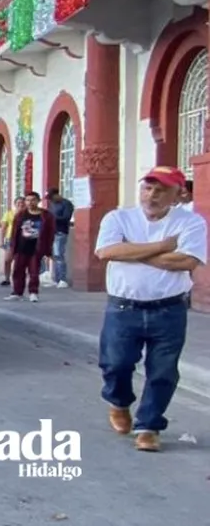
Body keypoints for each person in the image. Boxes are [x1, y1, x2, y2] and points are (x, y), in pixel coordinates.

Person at [94, 167, 208, 451]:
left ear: (177, 195)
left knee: (163, 371)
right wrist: (162, 246)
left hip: (168, 310)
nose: (152, 194)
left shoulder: (191, 222)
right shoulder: (118, 217)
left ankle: (148, 426)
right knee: (115, 363)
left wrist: (131, 251)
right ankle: (119, 402)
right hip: (123, 308)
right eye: (148, 187)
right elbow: (106, 252)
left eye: (161, 190)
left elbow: (185, 262)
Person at [6, 191, 55, 302]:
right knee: (18, 270)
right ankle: (17, 292)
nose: (30, 202)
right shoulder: (20, 215)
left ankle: (33, 292)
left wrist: (48, 250)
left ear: (38, 201)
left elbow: (50, 233)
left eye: (33, 200)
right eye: (27, 200)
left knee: (34, 272)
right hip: (21, 247)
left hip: (36, 248)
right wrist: (12, 247)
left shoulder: (46, 216)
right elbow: (14, 232)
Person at [47, 187, 74, 288]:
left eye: (51, 197)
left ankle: (62, 279)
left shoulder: (66, 204)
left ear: (56, 195)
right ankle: (56, 278)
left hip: (61, 232)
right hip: (52, 232)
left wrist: (53, 218)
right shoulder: (52, 204)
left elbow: (66, 218)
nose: (51, 200)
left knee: (59, 255)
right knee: (54, 255)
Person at [0, 196, 26, 286]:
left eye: (22, 202)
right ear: (15, 204)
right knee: (7, 260)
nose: (21, 204)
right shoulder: (9, 213)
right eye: (18, 203)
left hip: (24, 239)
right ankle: (7, 278)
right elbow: (3, 227)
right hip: (10, 238)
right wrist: (1, 240)